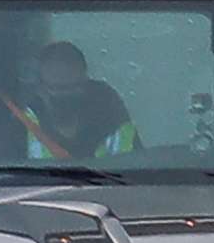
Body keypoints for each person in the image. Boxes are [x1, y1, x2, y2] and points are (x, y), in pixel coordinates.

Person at [10, 41, 140, 160]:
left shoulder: (113, 119)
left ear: (86, 84)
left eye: (73, 86)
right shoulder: (19, 128)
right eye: (57, 88)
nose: (65, 95)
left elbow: (138, 172)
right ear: (40, 89)